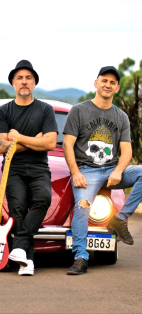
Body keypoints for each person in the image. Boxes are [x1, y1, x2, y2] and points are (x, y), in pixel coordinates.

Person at [64, 66, 142, 275]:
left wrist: (118, 171)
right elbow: (67, 145)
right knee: (82, 205)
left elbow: (126, 151)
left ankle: (120, 219)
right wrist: (76, 172)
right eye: (104, 80)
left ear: (116, 88)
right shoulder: (78, 111)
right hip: (86, 170)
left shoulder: (121, 117)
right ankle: (81, 257)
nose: (108, 85)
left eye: (112, 82)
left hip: (111, 169)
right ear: (96, 83)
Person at [0, 60, 58, 276]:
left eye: (28, 78)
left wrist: (18, 138)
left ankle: (19, 246)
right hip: (12, 168)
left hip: (39, 167)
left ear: (34, 83)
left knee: (43, 198)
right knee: (18, 209)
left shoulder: (45, 109)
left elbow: (50, 143)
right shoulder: (4, 111)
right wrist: (34, 140)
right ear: (13, 82)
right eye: (20, 78)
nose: (24, 81)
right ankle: (27, 262)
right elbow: (2, 147)